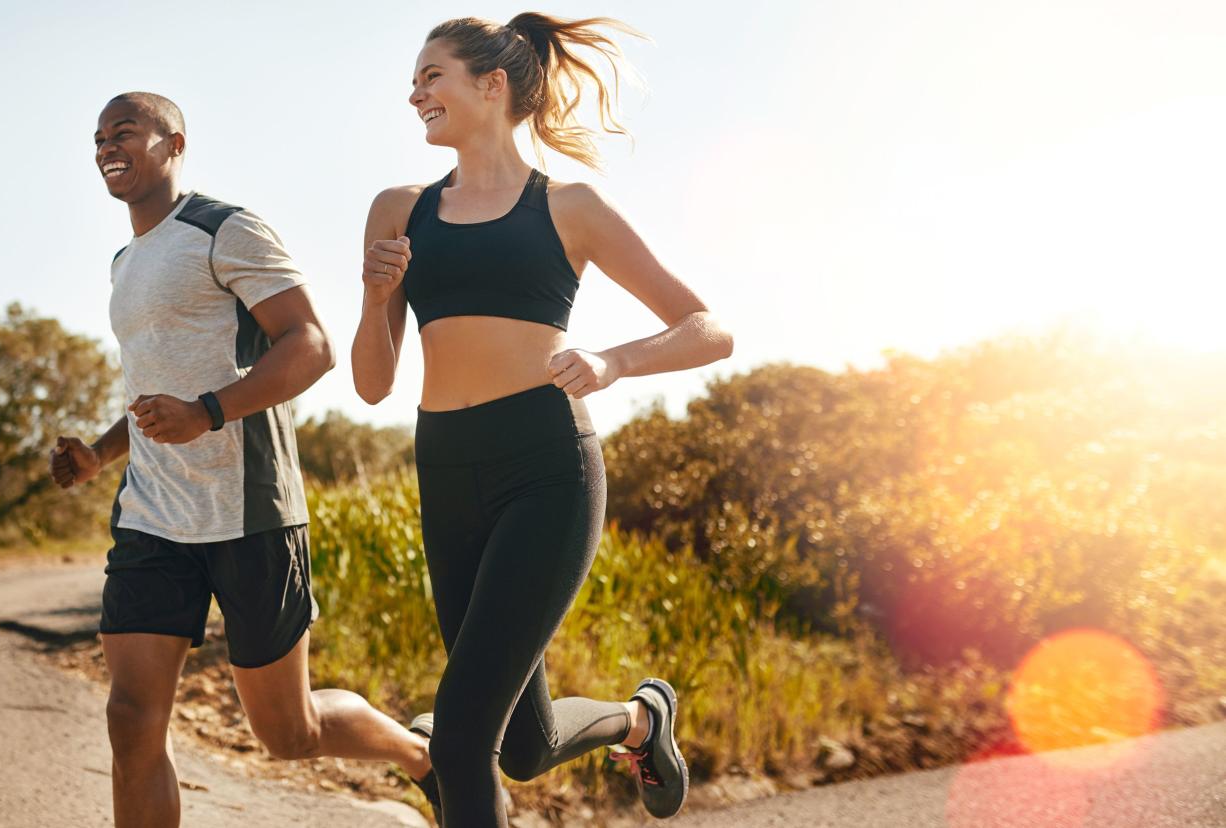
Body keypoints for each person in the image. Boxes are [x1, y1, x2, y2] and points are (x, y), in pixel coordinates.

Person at [351, 12, 733, 826]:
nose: (414, 92)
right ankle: (643, 720)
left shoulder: (569, 207)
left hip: (545, 467)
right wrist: (376, 296)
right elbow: (373, 385)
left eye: (432, 75)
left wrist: (613, 362)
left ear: (492, 86)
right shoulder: (398, 208)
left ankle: (632, 722)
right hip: (446, 467)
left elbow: (708, 329)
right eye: (414, 79)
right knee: (519, 747)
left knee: (457, 739)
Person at [50, 92, 437, 828]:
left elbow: (311, 345)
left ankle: (423, 756)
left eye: (124, 131)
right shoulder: (124, 261)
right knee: (132, 720)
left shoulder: (224, 228)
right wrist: (99, 455)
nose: (106, 145)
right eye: (98, 137)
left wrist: (209, 413)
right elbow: (152, 389)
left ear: (174, 142)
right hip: (153, 518)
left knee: (288, 735)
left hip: (250, 511)